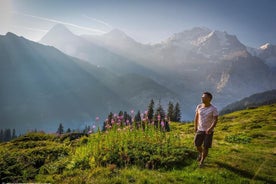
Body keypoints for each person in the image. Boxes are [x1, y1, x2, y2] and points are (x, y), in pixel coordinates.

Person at [194, 91, 218, 167]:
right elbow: (196, 117)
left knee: (206, 146)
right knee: (197, 145)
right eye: (202, 96)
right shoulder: (199, 106)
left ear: (209, 99)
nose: (202, 98)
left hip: (208, 131)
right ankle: (201, 154)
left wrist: (210, 128)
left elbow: (215, 119)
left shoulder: (213, 109)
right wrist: (195, 127)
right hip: (200, 129)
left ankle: (202, 161)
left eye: (204, 97)